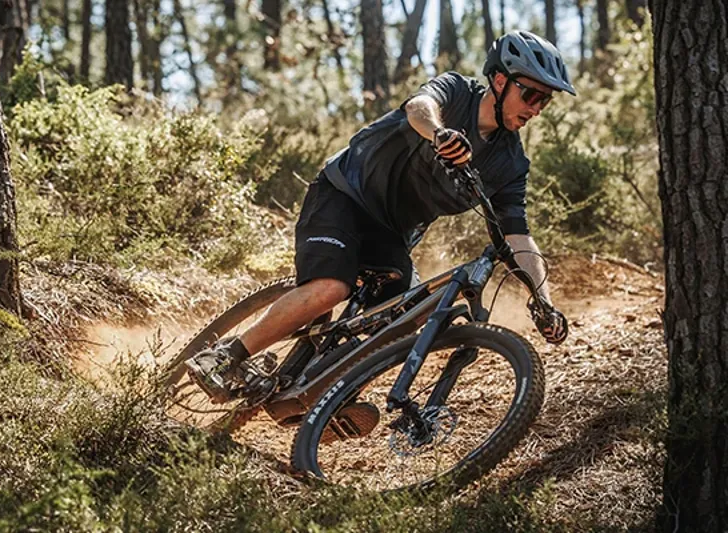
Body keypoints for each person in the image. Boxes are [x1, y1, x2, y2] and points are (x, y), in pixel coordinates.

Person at [188, 30, 572, 401]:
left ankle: (325, 394)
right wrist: (439, 133)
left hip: (390, 235)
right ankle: (224, 357)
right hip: (345, 195)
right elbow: (418, 108)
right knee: (331, 289)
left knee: (404, 315)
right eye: (531, 94)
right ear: (500, 80)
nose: (536, 108)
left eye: (545, 101)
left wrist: (543, 299)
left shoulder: (510, 164)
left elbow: (518, 236)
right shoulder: (456, 93)